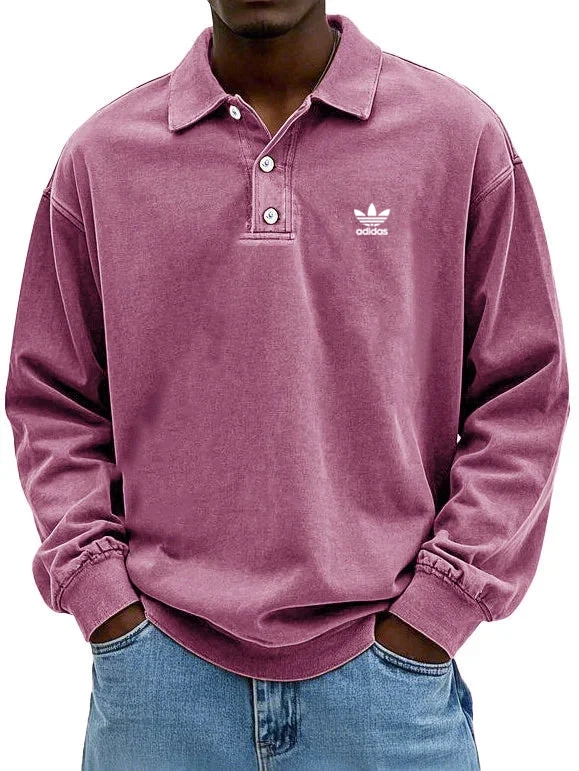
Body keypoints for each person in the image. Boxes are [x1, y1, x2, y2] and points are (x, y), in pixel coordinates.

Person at [4, 1, 570, 769]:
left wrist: (438, 609)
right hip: (158, 686)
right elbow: (51, 399)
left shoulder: (455, 137)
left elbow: (523, 391)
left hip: (387, 692)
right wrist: (103, 600)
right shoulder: (100, 159)